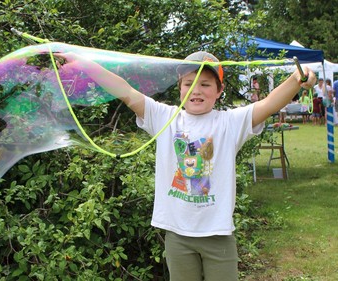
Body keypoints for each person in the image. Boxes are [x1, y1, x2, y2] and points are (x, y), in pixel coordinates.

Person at [57, 50, 316, 281]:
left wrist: (297, 79)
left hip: (218, 235)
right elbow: (126, 92)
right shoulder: (164, 117)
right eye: (189, 83)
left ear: (219, 90)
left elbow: (269, 103)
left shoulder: (230, 122)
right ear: (180, 88)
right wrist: (84, 65)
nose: (197, 90)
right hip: (178, 236)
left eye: (205, 84)